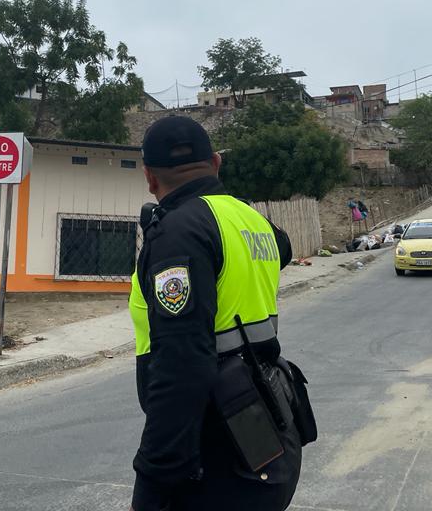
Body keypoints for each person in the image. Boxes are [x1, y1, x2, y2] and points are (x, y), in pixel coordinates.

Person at [129, 116, 312, 511]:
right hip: (265, 421)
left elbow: (182, 366)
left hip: (216, 442)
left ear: (149, 177)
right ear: (215, 163)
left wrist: (155, 477)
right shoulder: (251, 220)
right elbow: (281, 248)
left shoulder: (179, 233)